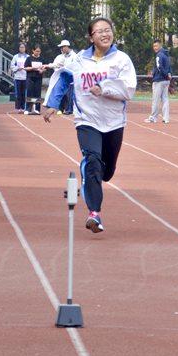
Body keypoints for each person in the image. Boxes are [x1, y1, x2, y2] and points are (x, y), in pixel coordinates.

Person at [43, 17, 137, 234]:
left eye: (108, 30)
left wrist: (104, 87)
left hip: (113, 122)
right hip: (87, 120)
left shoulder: (121, 60)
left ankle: (95, 176)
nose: (105, 34)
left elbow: (128, 89)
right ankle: (94, 213)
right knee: (92, 161)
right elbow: (63, 77)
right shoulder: (78, 61)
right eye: (100, 31)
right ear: (91, 37)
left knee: (107, 171)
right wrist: (52, 104)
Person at [146, 39, 172, 124]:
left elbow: (159, 67)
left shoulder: (159, 55)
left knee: (155, 99)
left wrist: (164, 74)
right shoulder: (166, 55)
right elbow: (168, 67)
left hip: (159, 80)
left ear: (160, 46)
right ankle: (166, 118)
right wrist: (169, 74)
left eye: (156, 46)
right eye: (153, 46)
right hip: (166, 81)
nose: (154, 48)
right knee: (165, 99)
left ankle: (153, 117)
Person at [49, 39, 75, 114]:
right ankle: (62, 109)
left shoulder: (74, 56)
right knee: (62, 94)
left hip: (71, 79)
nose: (61, 49)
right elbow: (57, 64)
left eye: (62, 47)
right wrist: (47, 65)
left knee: (69, 96)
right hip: (64, 79)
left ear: (66, 47)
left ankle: (69, 109)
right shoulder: (63, 56)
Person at [24, 45, 46, 114]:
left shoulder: (42, 59)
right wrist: (33, 68)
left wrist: (42, 71)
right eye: (37, 51)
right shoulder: (29, 58)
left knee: (37, 93)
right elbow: (25, 68)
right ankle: (28, 109)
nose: (38, 52)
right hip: (30, 77)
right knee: (30, 92)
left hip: (38, 78)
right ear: (33, 51)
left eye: (39, 51)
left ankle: (37, 109)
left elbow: (45, 68)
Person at [10, 42, 29, 114]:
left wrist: (25, 68)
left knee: (24, 93)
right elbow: (12, 66)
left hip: (25, 77)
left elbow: (30, 65)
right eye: (20, 47)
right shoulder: (15, 57)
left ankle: (24, 107)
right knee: (18, 93)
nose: (22, 48)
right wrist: (17, 68)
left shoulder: (28, 57)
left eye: (23, 47)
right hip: (18, 78)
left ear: (25, 48)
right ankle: (19, 107)